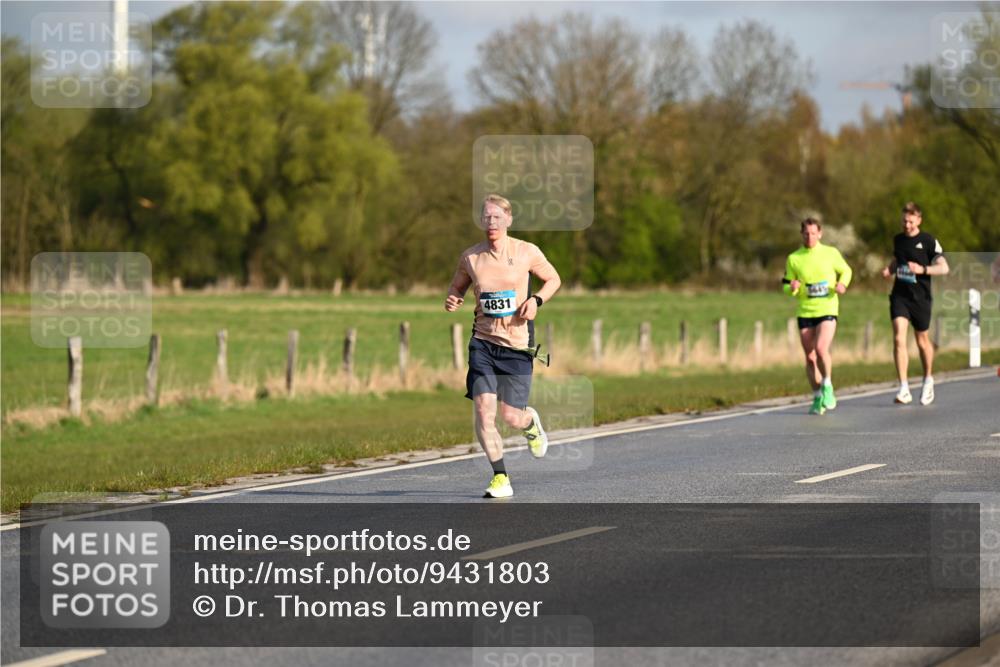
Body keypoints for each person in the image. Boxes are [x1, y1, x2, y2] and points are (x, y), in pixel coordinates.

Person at [445, 194, 562, 498]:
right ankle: (500, 477)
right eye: (486, 217)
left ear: (509, 220)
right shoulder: (471, 257)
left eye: (497, 217)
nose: (491, 223)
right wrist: (453, 298)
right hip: (482, 343)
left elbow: (553, 279)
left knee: (511, 417)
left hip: (517, 345)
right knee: (484, 410)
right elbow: (457, 286)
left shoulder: (526, 251)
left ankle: (530, 422)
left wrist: (536, 300)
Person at [783, 217, 853, 415]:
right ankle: (817, 396)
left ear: (820, 234)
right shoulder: (794, 258)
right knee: (810, 357)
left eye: (814, 233)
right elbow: (786, 283)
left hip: (828, 308)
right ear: (801, 234)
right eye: (806, 233)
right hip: (806, 311)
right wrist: (792, 287)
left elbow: (846, 270)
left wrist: (843, 284)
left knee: (821, 349)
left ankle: (828, 385)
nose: (810, 237)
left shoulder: (831, 253)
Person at [881, 201, 949, 405]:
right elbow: (898, 259)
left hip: (921, 298)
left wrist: (923, 270)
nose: (906, 225)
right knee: (898, 338)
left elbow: (944, 267)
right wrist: (890, 270)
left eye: (910, 221)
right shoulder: (898, 240)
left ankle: (928, 379)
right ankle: (903, 388)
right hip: (900, 295)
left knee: (922, 341)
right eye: (904, 221)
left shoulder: (928, 241)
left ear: (919, 220)